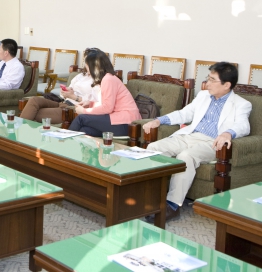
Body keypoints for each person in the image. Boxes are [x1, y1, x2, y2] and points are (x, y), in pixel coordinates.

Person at [144, 62, 251, 221]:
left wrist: (228, 133)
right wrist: (159, 120)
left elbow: (244, 126)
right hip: (190, 135)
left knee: (186, 156)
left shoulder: (242, 104)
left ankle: (172, 205)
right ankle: (148, 198)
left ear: (226, 85)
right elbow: (184, 114)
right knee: (153, 147)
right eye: (208, 78)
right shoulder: (202, 96)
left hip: (212, 142)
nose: (207, 83)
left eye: (212, 80)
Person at [68, 50, 140, 137]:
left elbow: (107, 108)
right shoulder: (107, 78)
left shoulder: (108, 79)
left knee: (81, 118)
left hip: (125, 123)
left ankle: (63, 144)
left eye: (87, 67)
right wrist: (90, 103)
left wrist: (84, 111)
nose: (87, 71)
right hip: (117, 121)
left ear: (94, 67)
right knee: (84, 130)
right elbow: (106, 104)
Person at [20, 48, 101, 124]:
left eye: (88, 63)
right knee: (34, 100)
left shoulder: (100, 80)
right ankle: (21, 132)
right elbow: (66, 92)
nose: (86, 65)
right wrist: (65, 91)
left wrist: (75, 97)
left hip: (72, 108)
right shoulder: (81, 76)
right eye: (86, 62)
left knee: (33, 113)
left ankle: (19, 132)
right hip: (63, 102)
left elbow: (96, 102)